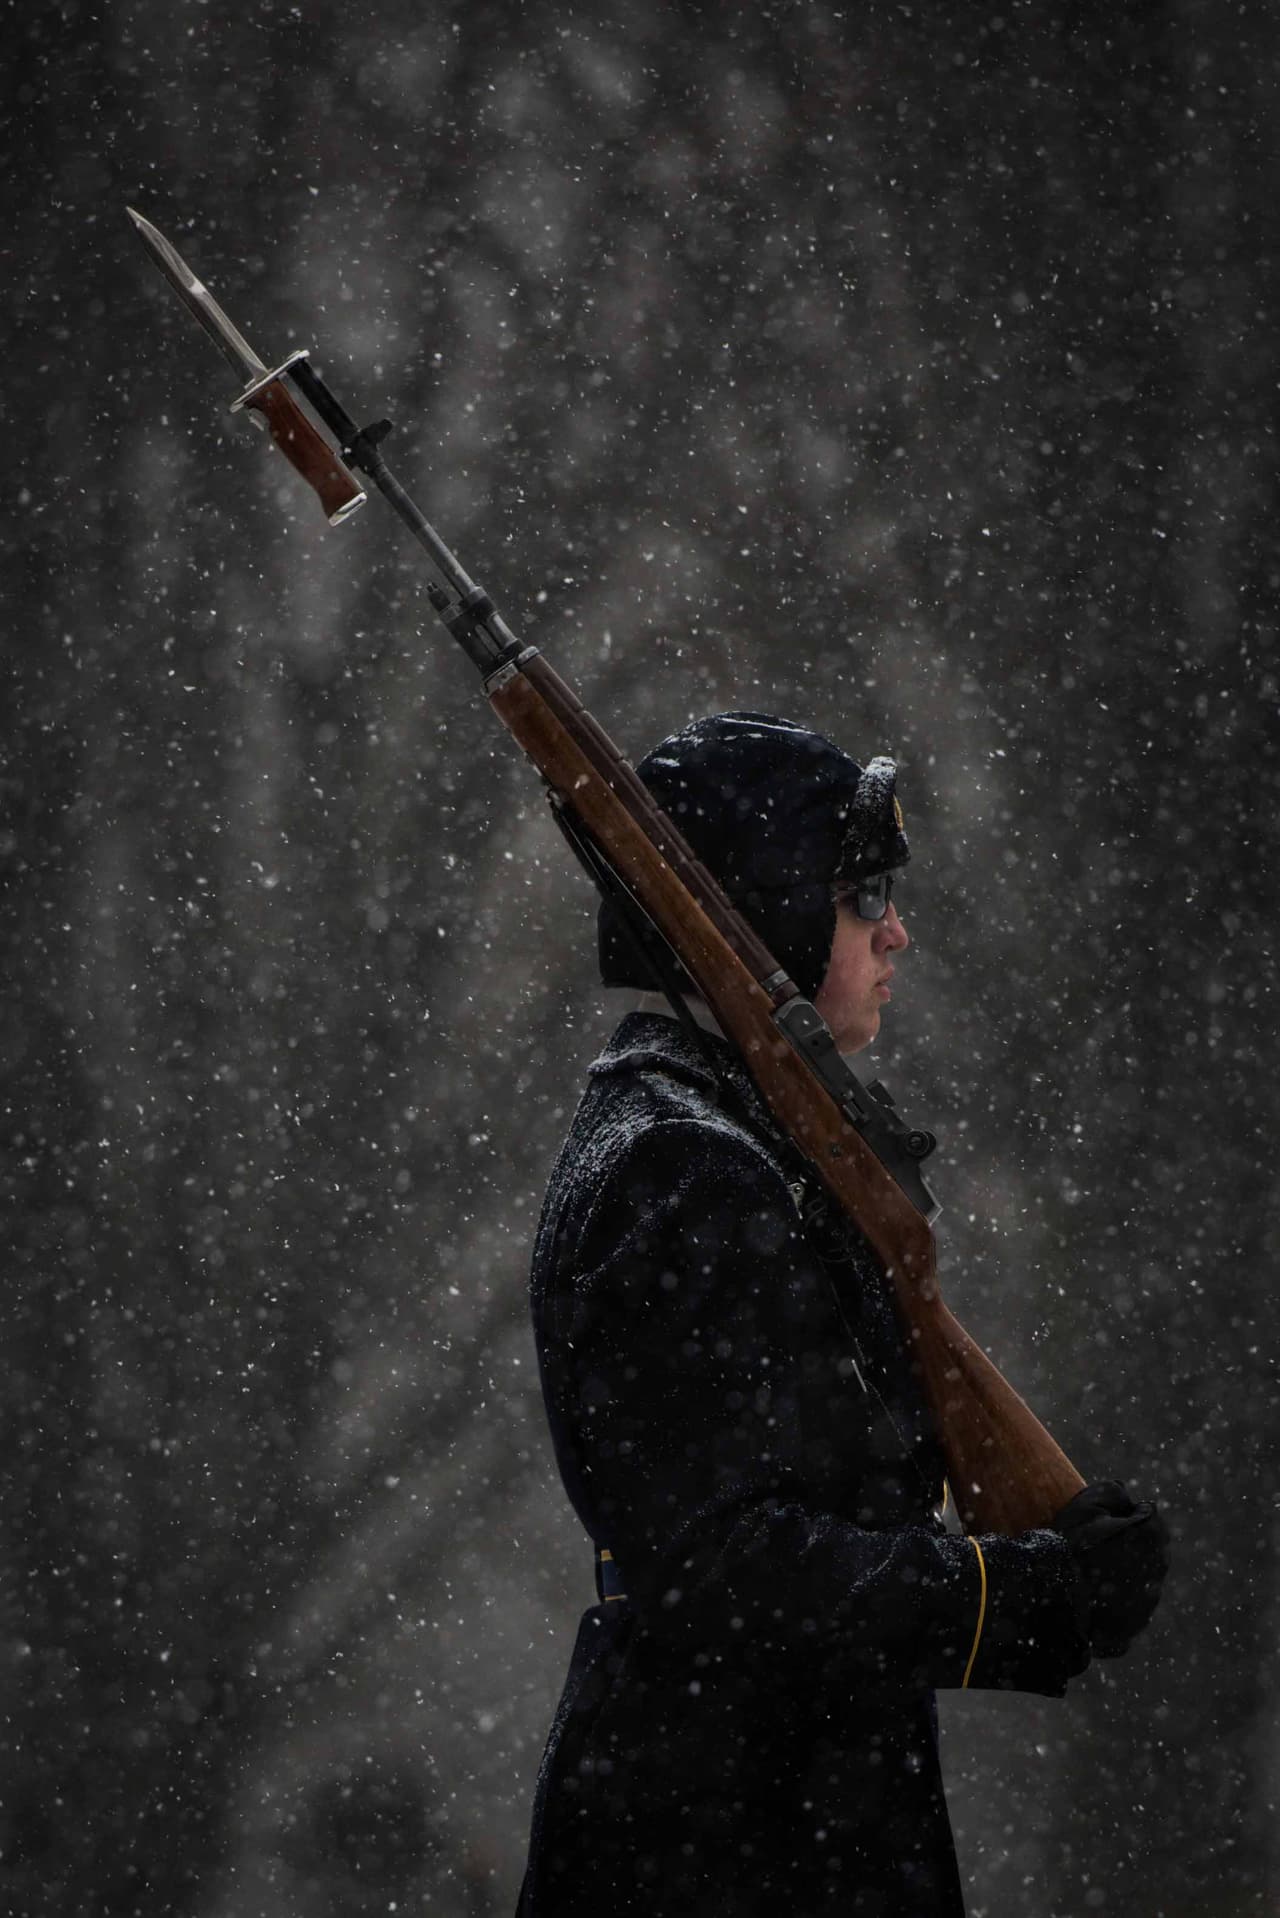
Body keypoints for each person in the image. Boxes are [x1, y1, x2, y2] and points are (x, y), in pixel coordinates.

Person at [516, 712, 1168, 1916]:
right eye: (860, 889)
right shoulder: (686, 1164)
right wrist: (1013, 1597)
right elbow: (726, 1568)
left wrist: (1033, 1565)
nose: (893, 928)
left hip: (756, 1818)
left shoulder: (712, 1136)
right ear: (762, 902)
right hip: (733, 1844)